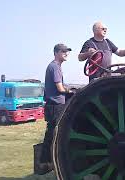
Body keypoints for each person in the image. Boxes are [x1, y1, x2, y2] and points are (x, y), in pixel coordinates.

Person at [38, 43, 72, 174]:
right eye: (64, 51)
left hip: (55, 104)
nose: (66, 53)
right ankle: (46, 162)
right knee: (54, 134)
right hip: (55, 105)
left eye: (67, 51)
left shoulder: (54, 66)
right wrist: (70, 91)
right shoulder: (54, 67)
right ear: (56, 52)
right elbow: (59, 88)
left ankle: (46, 161)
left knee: (52, 133)